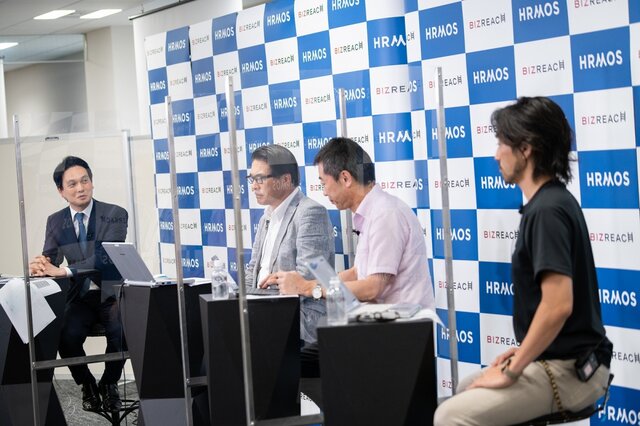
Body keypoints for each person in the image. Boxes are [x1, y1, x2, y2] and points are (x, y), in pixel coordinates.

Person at [433, 97, 612, 425]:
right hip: (561, 358)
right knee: (465, 388)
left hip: (573, 371)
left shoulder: (548, 210)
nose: (496, 154)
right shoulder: (550, 203)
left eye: (502, 143)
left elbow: (558, 306)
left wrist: (513, 370)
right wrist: (524, 352)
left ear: (526, 149)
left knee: (449, 415)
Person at [268, 137, 434, 310]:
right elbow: (357, 273)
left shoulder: (385, 214)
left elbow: (372, 288)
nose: (324, 192)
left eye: (324, 183)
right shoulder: (375, 211)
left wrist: (308, 288)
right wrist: (306, 283)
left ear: (345, 178)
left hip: (404, 323)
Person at [29, 156, 128, 412]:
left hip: (109, 292)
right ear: (61, 191)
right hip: (80, 296)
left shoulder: (114, 214)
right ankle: (87, 384)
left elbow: (105, 257)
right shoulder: (55, 220)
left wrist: (63, 270)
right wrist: (41, 264)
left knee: (122, 330)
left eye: (85, 181)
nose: (80, 188)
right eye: (72, 184)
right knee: (64, 334)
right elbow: (51, 257)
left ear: (92, 182)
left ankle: (109, 383)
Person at [245, 144, 334, 344]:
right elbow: (252, 271)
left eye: (260, 179)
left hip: (299, 314)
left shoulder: (310, 212)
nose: (254, 186)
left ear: (285, 179)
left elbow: (308, 278)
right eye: (252, 179)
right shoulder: (266, 217)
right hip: (263, 309)